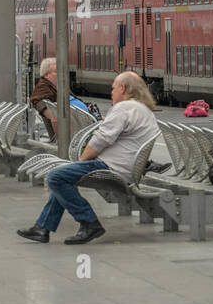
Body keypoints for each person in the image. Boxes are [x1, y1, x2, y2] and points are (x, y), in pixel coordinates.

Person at [16, 71, 160, 245]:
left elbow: (101, 139)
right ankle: (42, 228)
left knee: (56, 176)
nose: (111, 92)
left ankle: (89, 222)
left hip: (111, 168)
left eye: (113, 88)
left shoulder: (125, 108)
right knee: (63, 175)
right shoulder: (142, 110)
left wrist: (80, 162)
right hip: (125, 169)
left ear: (123, 88)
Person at [29, 57, 59, 139]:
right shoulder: (43, 86)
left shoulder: (58, 86)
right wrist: (53, 116)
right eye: (57, 71)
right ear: (46, 75)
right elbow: (37, 100)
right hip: (71, 133)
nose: (61, 74)